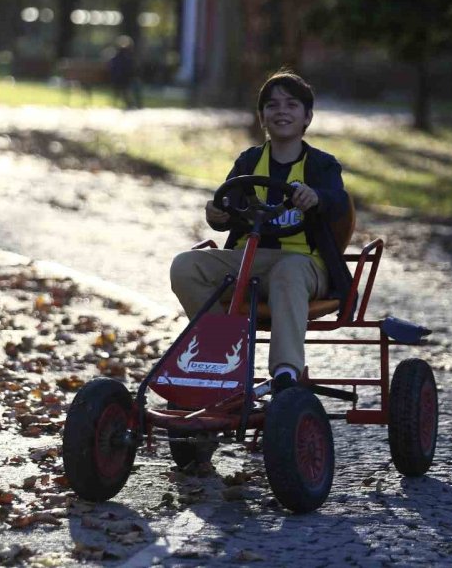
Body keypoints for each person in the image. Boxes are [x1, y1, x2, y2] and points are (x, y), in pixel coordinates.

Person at [169, 71, 354, 395]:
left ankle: (285, 373)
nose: (281, 111)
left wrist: (318, 197)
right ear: (262, 117)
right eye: (272, 105)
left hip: (305, 264)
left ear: (307, 116)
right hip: (247, 260)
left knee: (288, 269)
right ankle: (218, 354)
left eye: (291, 104)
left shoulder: (322, 165)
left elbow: (339, 201)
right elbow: (226, 208)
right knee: (185, 265)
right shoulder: (249, 161)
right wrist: (217, 214)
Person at [108, 35, 142, 109]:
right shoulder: (128, 57)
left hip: (120, 80)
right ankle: (135, 104)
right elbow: (132, 70)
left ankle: (132, 104)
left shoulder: (116, 57)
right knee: (133, 85)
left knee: (129, 86)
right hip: (124, 79)